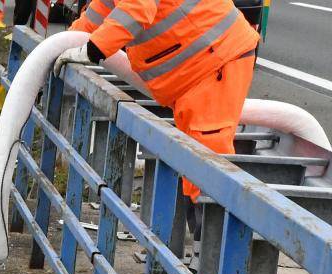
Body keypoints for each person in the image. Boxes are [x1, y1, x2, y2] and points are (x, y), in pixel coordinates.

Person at [59, 0, 259, 200]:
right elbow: (97, 13)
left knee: (208, 165)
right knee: (195, 164)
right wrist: (64, 45)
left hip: (216, 59)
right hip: (197, 68)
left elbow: (137, 7)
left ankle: (212, 226)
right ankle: (203, 221)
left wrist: (93, 49)